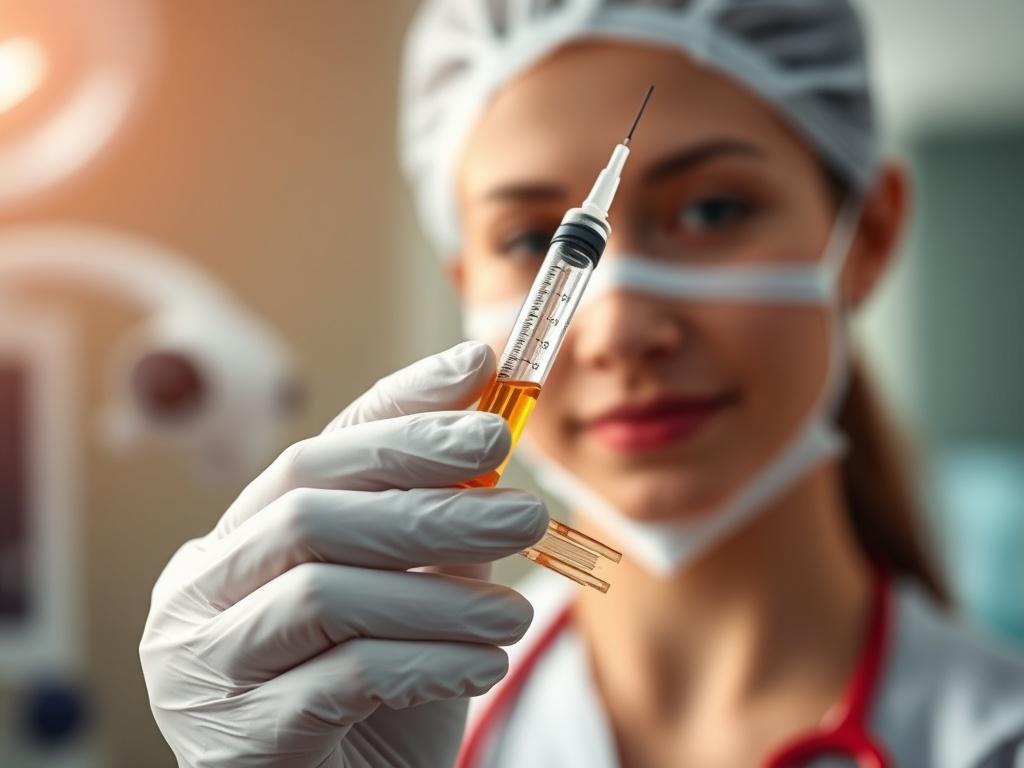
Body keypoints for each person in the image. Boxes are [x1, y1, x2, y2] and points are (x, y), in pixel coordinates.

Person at [140, 1, 1024, 766]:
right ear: (464, 284)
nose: (620, 331)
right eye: (528, 240)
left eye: (713, 210)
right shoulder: (381, 724)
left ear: (867, 238)